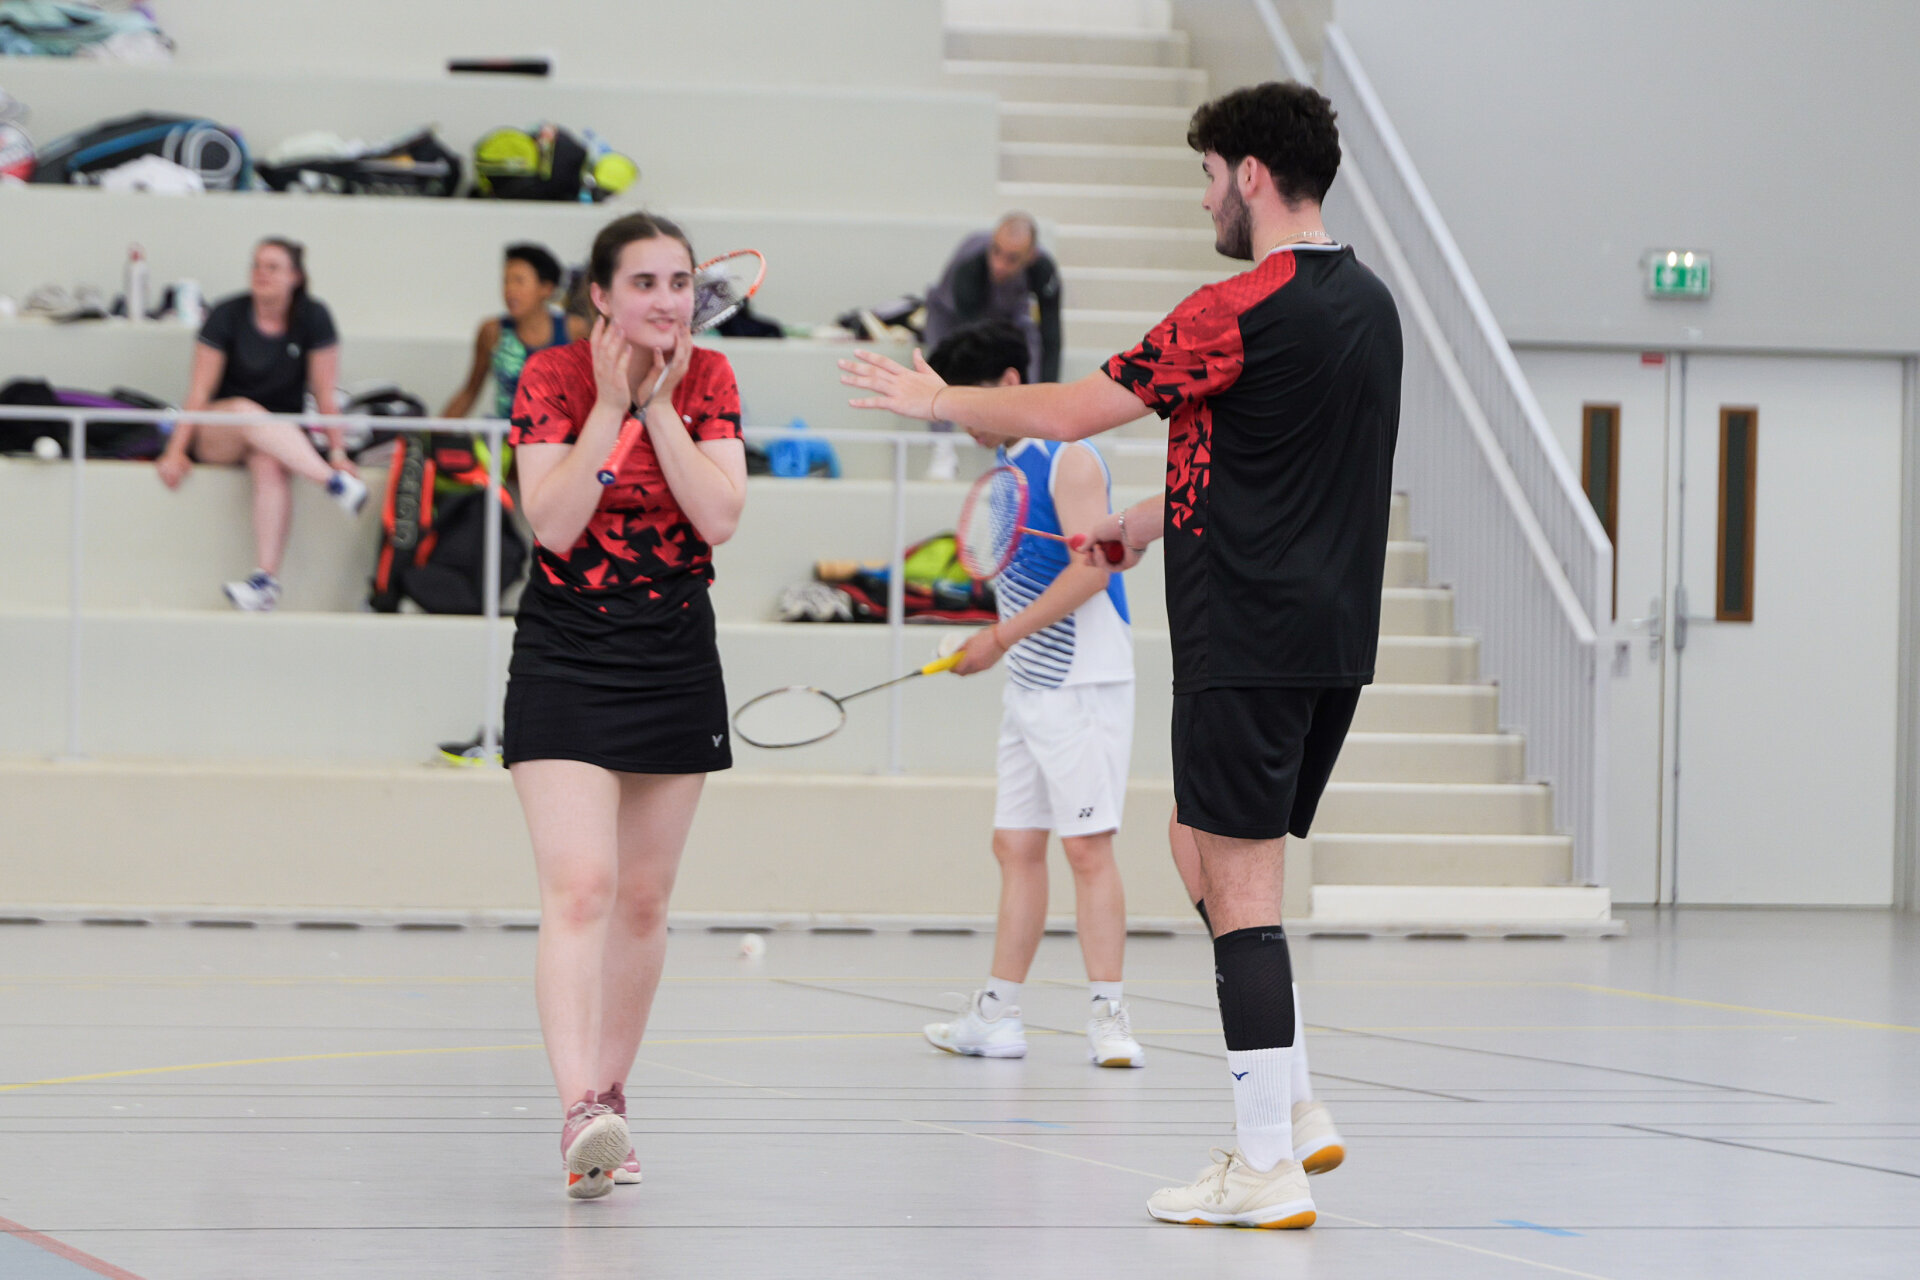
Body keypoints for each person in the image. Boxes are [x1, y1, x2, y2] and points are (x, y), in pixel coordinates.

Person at [842, 80, 1401, 1230]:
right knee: (1198, 842)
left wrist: (938, 396)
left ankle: (1263, 1162)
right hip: (1334, 638)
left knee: (1241, 892)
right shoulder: (1374, 307)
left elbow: (1074, 410)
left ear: (1251, 174)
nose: (1204, 199)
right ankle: (1295, 1102)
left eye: (1209, 176)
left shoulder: (1232, 306)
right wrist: (1140, 524)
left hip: (1242, 635)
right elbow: (1275, 464)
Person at [504, 211, 748, 1200]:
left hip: (673, 656)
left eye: (680, 282)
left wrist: (660, 408)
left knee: (644, 900)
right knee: (581, 887)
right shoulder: (550, 377)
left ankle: (610, 1097)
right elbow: (555, 524)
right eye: (643, 282)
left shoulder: (712, 377)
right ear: (600, 295)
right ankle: (577, 1109)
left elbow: (720, 515)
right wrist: (610, 406)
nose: (666, 299)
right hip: (566, 654)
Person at [915, 320, 1143, 1070]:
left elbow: (1095, 570)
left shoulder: (1068, 456)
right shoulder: (1008, 467)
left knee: (1087, 848)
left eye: (967, 402)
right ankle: (997, 1015)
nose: (962, 420)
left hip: (1084, 682)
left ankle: (1109, 1019)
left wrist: (999, 638)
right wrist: (987, 641)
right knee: (1015, 845)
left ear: (1011, 384)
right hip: (1031, 683)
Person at [155, 237, 366, 611]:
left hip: (276, 439)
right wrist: (175, 451)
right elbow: (199, 391)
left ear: (295, 276)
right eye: (256, 265)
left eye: (272, 267)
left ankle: (264, 582)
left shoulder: (314, 316)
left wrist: (338, 451)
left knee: (269, 464)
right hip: (220, 430)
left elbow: (325, 393)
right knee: (243, 410)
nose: (260, 274)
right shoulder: (227, 314)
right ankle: (333, 484)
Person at [919, 213, 1062, 479]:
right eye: (995, 251)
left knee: (1032, 347)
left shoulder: (1043, 270)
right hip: (952, 316)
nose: (999, 264)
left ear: (1031, 256)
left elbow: (1051, 336)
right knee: (944, 366)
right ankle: (942, 448)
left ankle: (1032, 436)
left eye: (1012, 258)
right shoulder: (970, 265)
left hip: (1008, 315)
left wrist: (1049, 396)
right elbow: (975, 346)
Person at [439, 242, 587, 421]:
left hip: (562, 436)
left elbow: (591, 395)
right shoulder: (492, 332)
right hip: (505, 434)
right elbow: (470, 392)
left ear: (546, 288)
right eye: (506, 281)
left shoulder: (574, 330)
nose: (510, 290)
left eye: (519, 281)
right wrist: (434, 430)